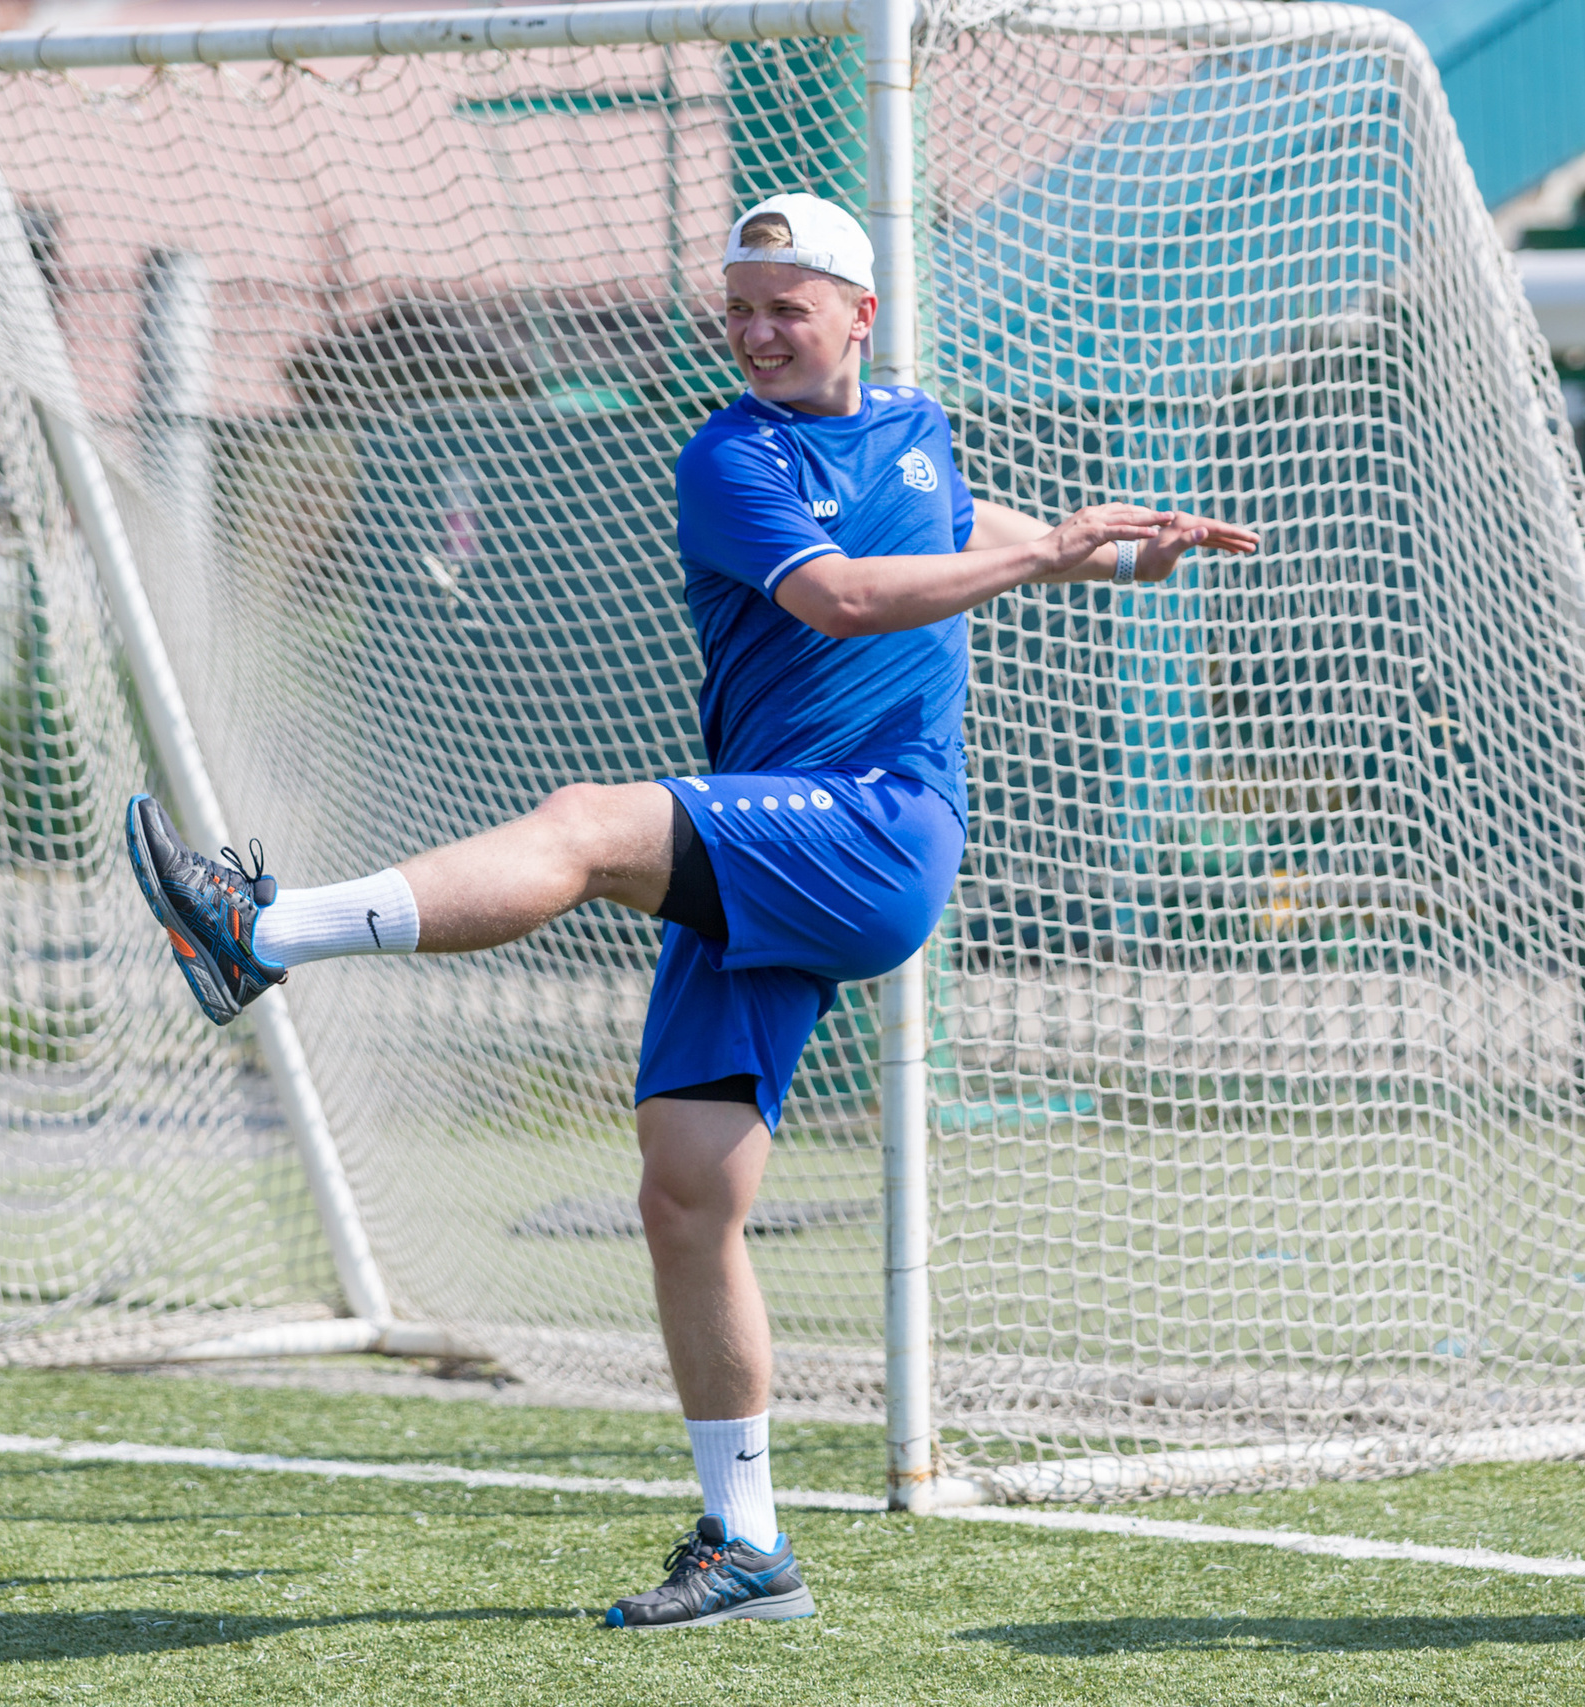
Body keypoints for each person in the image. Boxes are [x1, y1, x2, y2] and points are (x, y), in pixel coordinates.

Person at [125, 191, 1258, 1631]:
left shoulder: (914, 429)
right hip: (778, 841)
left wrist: (1124, 551)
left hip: (876, 831)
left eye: (787, 305)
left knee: (587, 827)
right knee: (686, 1194)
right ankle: (750, 1548)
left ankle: (262, 932)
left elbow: (983, 529)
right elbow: (843, 597)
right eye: (739, 307)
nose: (757, 330)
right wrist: (1056, 552)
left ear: (860, 313)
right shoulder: (732, 456)